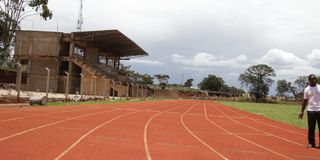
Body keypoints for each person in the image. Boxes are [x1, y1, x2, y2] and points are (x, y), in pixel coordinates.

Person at [299, 74, 320, 148]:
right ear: (309, 80)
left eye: (315, 79)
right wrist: (302, 111)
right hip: (310, 110)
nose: (314, 80)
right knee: (311, 128)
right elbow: (304, 101)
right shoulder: (306, 89)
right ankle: (311, 143)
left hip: (319, 110)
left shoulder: (319, 88)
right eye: (312, 79)